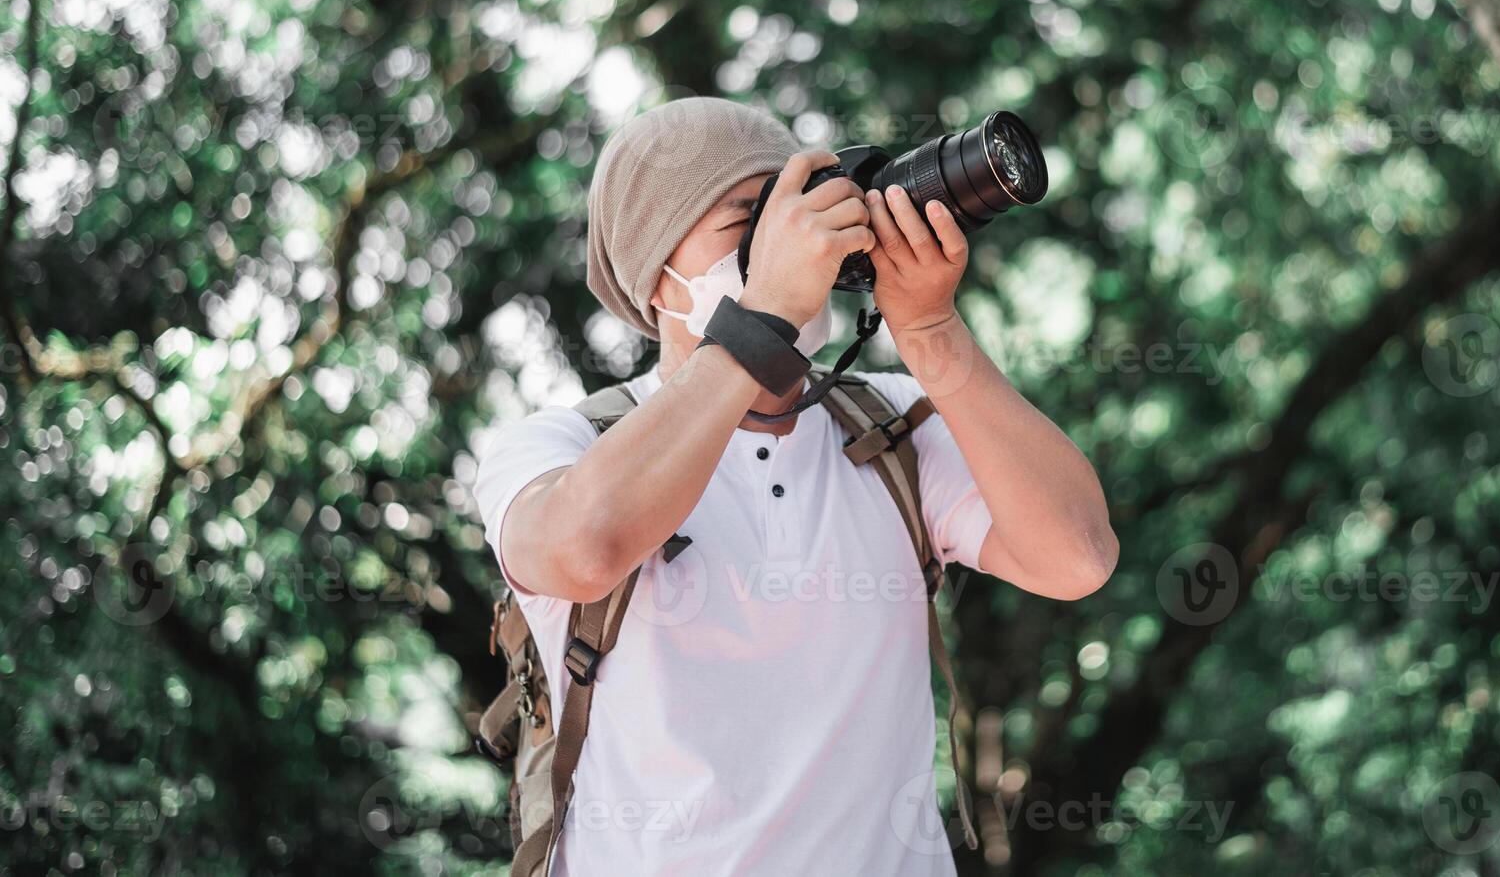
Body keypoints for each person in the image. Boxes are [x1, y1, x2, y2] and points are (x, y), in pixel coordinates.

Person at [471, 97, 1117, 874]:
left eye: (798, 202)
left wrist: (931, 334)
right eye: (753, 219)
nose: (795, 237)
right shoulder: (561, 447)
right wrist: (762, 316)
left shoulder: (893, 426)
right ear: (660, 276)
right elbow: (581, 550)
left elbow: (1078, 555)